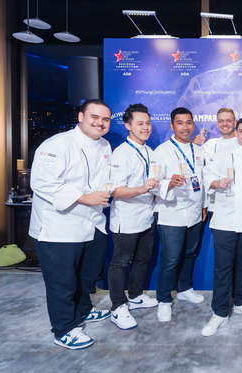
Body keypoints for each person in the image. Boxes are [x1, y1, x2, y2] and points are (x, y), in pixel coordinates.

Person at [29, 99, 113, 350]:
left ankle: (84, 310)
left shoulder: (106, 145)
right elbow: (42, 183)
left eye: (105, 119)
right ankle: (64, 328)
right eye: (94, 117)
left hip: (92, 223)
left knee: (84, 277)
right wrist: (85, 197)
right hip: (59, 226)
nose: (100, 123)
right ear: (80, 116)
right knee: (62, 282)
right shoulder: (57, 144)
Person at [201, 117, 242, 336]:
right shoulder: (221, 154)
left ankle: (241, 302)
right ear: (236, 133)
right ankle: (219, 313)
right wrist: (216, 183)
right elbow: (207, 175)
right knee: (223, 267)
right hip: (225, 219)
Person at [107, 104, 159, 330]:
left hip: (146, 216)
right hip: (126, 219)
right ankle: (117, 306)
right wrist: (143, 188)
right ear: (128, 126)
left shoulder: (149, 151)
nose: (145, 127)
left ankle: (136, 295)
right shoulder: (121, 153)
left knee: (143, 258)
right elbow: (115, 191)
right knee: (120, 262)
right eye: (140, 123)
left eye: (147, 123)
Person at [152, 107, 207, 322]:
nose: (185, 127)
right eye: (180, 123)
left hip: (194, 212)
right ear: (172, 126)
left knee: (190, 253)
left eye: (188, 122)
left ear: (193, 124)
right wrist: (169, 183)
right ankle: (163, 300)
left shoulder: (198, 150)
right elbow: (153, 184)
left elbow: (200, 180)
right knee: (171, 258)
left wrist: (203, 205)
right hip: (172, 213)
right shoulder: (162, 151)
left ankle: (185, 288)